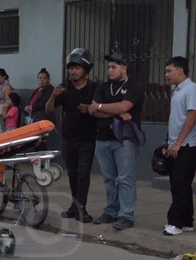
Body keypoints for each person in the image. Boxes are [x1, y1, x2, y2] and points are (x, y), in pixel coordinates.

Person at [88, 52, 145, 230]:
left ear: (124, 68)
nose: (109, 70)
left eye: (114, 67)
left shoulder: (134, 86)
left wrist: (101, 106)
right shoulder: (103, 87)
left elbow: (124, 106)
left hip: (125, 139)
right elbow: (91, 110)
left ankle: (126, 215)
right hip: (103, 138)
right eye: (108, 67)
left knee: (125, 178)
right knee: (108, 178)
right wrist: (116, 111)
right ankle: (111, 211)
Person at [46, 48, 99, 223]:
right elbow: (49, 110)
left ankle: (81, 207)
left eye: (77, 68)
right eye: (70, 68)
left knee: (84, 173)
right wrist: (53, 96)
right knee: (73, 173)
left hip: (87, 138)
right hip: (68, 138)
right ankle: (74, 205)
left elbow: (101, 109)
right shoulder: (63, 89)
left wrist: (90, 109)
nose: (73, 71)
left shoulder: (94, 88)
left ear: (85, 70)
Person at [162, 56, 196, 236]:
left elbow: (192, 116)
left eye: (169, 71)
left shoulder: (192, 89)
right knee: (181, 183)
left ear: (181, 70)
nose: (166, 75)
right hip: (177, 143)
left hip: (189, 144)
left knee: (179, 183)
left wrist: (179, 143)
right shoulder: (178, 91)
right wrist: (170, 142)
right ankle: (187, 220)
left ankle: (176, 223)